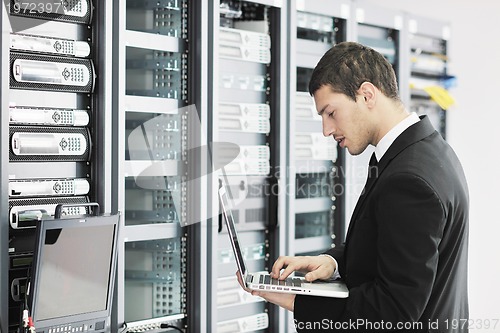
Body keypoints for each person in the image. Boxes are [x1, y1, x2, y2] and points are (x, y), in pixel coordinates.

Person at [237, 41, 469, 332]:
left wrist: (298, 301)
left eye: (331, 113)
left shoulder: (408, 181)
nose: (326, 130)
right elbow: (393, 249)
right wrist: (331, 263)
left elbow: (393, 312)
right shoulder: (429, 152)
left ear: (367, 94)